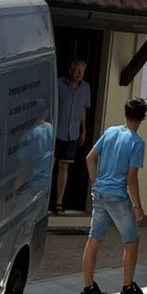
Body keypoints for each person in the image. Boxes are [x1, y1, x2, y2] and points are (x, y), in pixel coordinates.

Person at [81, 97, 147, 294]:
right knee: (131, 240)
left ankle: (88, 289)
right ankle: (128, 290)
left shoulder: (111, 131)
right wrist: (138, 207)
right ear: (143, 117)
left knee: (94, 240)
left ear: (125, 113)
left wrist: (96, 183)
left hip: (100, 193)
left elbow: (89, 158)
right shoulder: (137, 143)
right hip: (117, 196)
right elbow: (131, 178)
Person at [53, 58, 92, 213]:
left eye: (82, 71)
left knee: (64, 166)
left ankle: (59, 202)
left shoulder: (85, 88)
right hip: (56, 131)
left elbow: (84, 109)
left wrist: (84, 129)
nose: (79, 74)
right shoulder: (58, 84)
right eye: (77, 70)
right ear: (71, 70)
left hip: (72, 133)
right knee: (48, 167)